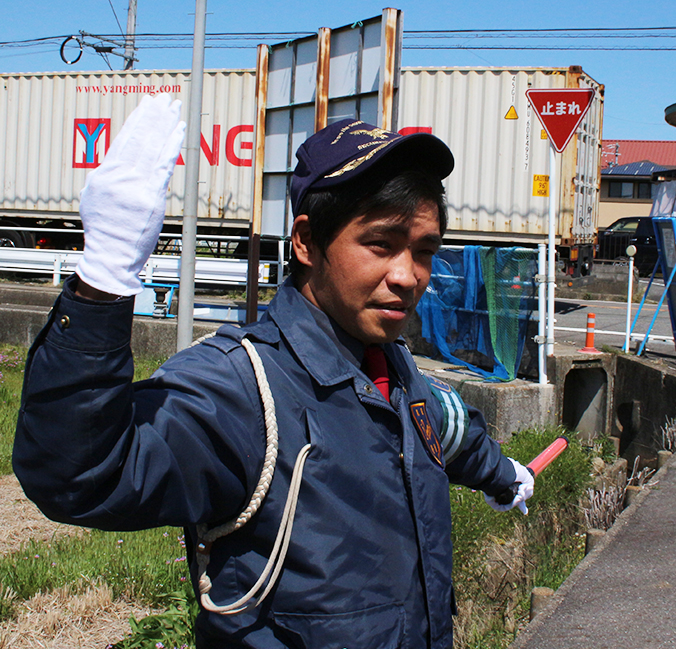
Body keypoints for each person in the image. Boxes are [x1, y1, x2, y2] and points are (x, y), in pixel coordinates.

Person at [13, 94, 535, 649]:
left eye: (425, 250)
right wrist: (102, 283)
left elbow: (444, 428)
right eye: (380, 244)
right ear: (307, 242)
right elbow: (82, 473)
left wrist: (500, 473)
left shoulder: (394, 367)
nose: (409, 276)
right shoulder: (242, 389)